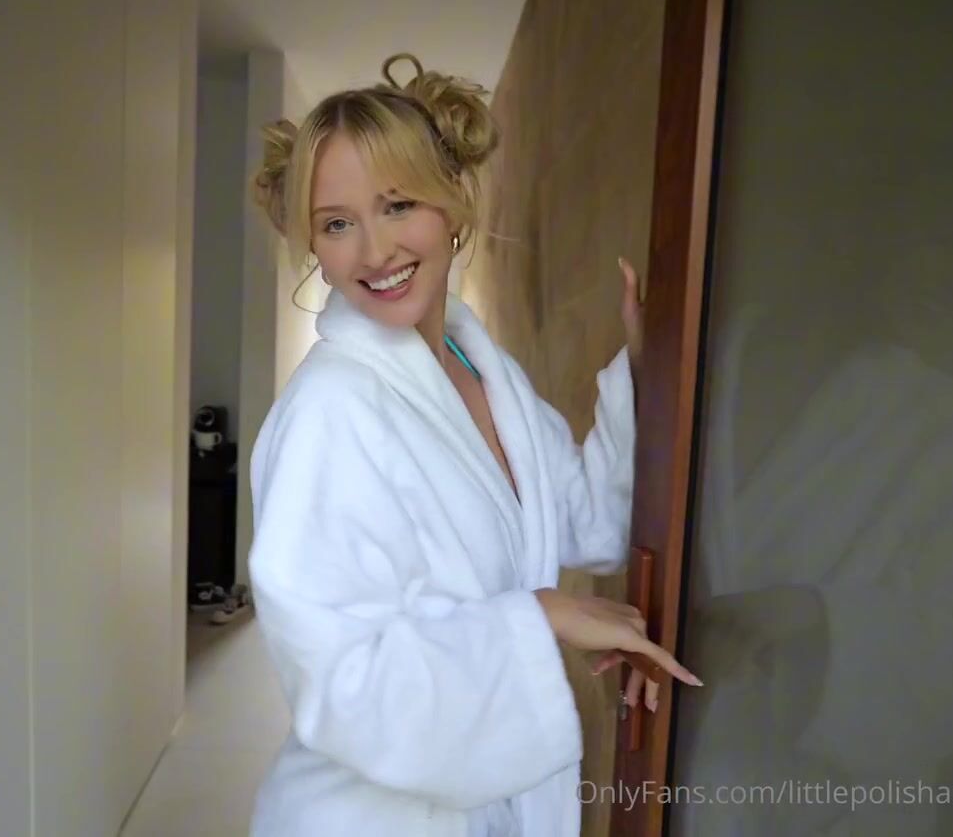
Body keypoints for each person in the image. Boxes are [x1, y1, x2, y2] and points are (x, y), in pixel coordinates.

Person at [244, 53, 701, 837]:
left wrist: (644, 362)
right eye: (337, 223)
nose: (374, 251)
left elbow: (586, 522)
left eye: (397, 205)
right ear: (312, 243)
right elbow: (342, 683)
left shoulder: (479, 369)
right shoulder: (330, 412)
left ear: (453, 202)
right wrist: (541, 618)